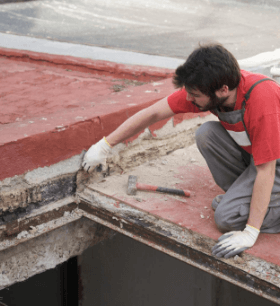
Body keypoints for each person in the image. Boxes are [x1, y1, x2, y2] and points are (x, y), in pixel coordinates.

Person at [82, 43, 280, 259]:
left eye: (194, 94)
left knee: (227, 218)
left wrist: (250, 232)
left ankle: (257, 208)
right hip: (256, 157)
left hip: (272, 164)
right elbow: (152, 114)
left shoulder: (261, 98)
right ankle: (248, 201)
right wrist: (104, 145)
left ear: (223, 90)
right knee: (206, 134)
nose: (188, 99)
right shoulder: (210, 87)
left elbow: (266, 171)